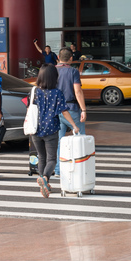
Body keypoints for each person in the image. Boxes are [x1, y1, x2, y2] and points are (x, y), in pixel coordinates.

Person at [30, 64, 79, 198]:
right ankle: (45, 178)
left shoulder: (34, 91)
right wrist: (74, 125)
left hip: (35, 129)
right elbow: (64, 111)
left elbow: (29, 109)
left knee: (41, 157)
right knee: (52, 159)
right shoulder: (57, 93)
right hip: (51, 129)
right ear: (54, 77)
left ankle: (44, 182)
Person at [54, 47, 87, 177]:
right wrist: (83, 109)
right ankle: (81, 168)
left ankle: (58, 170)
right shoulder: (73, 71)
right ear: (71, 58)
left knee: (59, 141)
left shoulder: (52, 71)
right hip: (71, 108)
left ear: (58, 57)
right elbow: (77, 91)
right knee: (80, 137)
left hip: (55, 109)